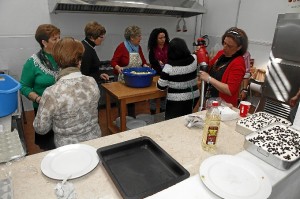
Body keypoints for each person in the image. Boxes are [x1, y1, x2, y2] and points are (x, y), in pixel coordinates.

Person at [33, 37, 101, 147]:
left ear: (56, 60)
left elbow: (41, 128)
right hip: (94, 142)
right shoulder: (92, 82)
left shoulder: (51, 92)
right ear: (79, 61)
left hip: (68, 149)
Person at [20, 24, 60, 150]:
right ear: (44, 42)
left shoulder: (63, 57)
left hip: (62, 109)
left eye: (59, 38)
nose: (59, 41)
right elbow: (24, 86)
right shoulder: (33, 62)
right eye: (55, 39)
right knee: (49, 146)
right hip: (44, 109)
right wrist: (38, 99)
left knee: (63, 143)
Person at [199, 27, 248, 107]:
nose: (225, 47)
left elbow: (229, 90)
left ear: (239, 47)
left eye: (229, 46)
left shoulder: (238, 63)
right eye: (224, 43)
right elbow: (208, 67)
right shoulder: (221, 54)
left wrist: (209, 79)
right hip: (210, 100)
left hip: (224, 107)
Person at [157, 38, 200, 120]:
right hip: (194, 96)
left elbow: (161, 86)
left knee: (173, 122)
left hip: (176, 101)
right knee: (186, 119)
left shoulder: (169, 67)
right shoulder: (194, 58)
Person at [111, 25, 148, 117]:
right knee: (122, 102)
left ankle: (132, 118)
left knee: (131, 100)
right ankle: (122, 119)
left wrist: (145, 65)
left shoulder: (138, 47)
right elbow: (113, 61)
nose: (141, 38)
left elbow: (143, 61)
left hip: (134, 79)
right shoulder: (122, 47)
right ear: (131, 38)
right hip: (122, 79)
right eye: (138, 36)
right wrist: (118, 67)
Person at [148, 28, 170, 114]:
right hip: (156, 75)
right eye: (160, 38)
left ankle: (162, 111)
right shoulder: (153, 49)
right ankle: (152, 111)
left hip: (167, 75)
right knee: (153, 95)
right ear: (155, 39)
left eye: (164, 37)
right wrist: (158, 63)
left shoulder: (169, 47)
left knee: (164, 95)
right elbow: (152, 62)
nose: (163, 40)